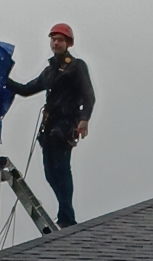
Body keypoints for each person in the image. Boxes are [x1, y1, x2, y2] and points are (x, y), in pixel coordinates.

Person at [7, 23, 95, 228]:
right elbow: (27, 89)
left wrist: (84, 120)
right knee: (49, 171)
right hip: (50, 125)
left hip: (65, 123)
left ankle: (67, 216)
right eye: (53, 39)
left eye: (60, 40)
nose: (56, 42)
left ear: (68, 44)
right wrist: (3, 78)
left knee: (62, 168)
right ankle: (65, 212)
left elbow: (88, 95)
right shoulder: (49, 71)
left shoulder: (76, 66)